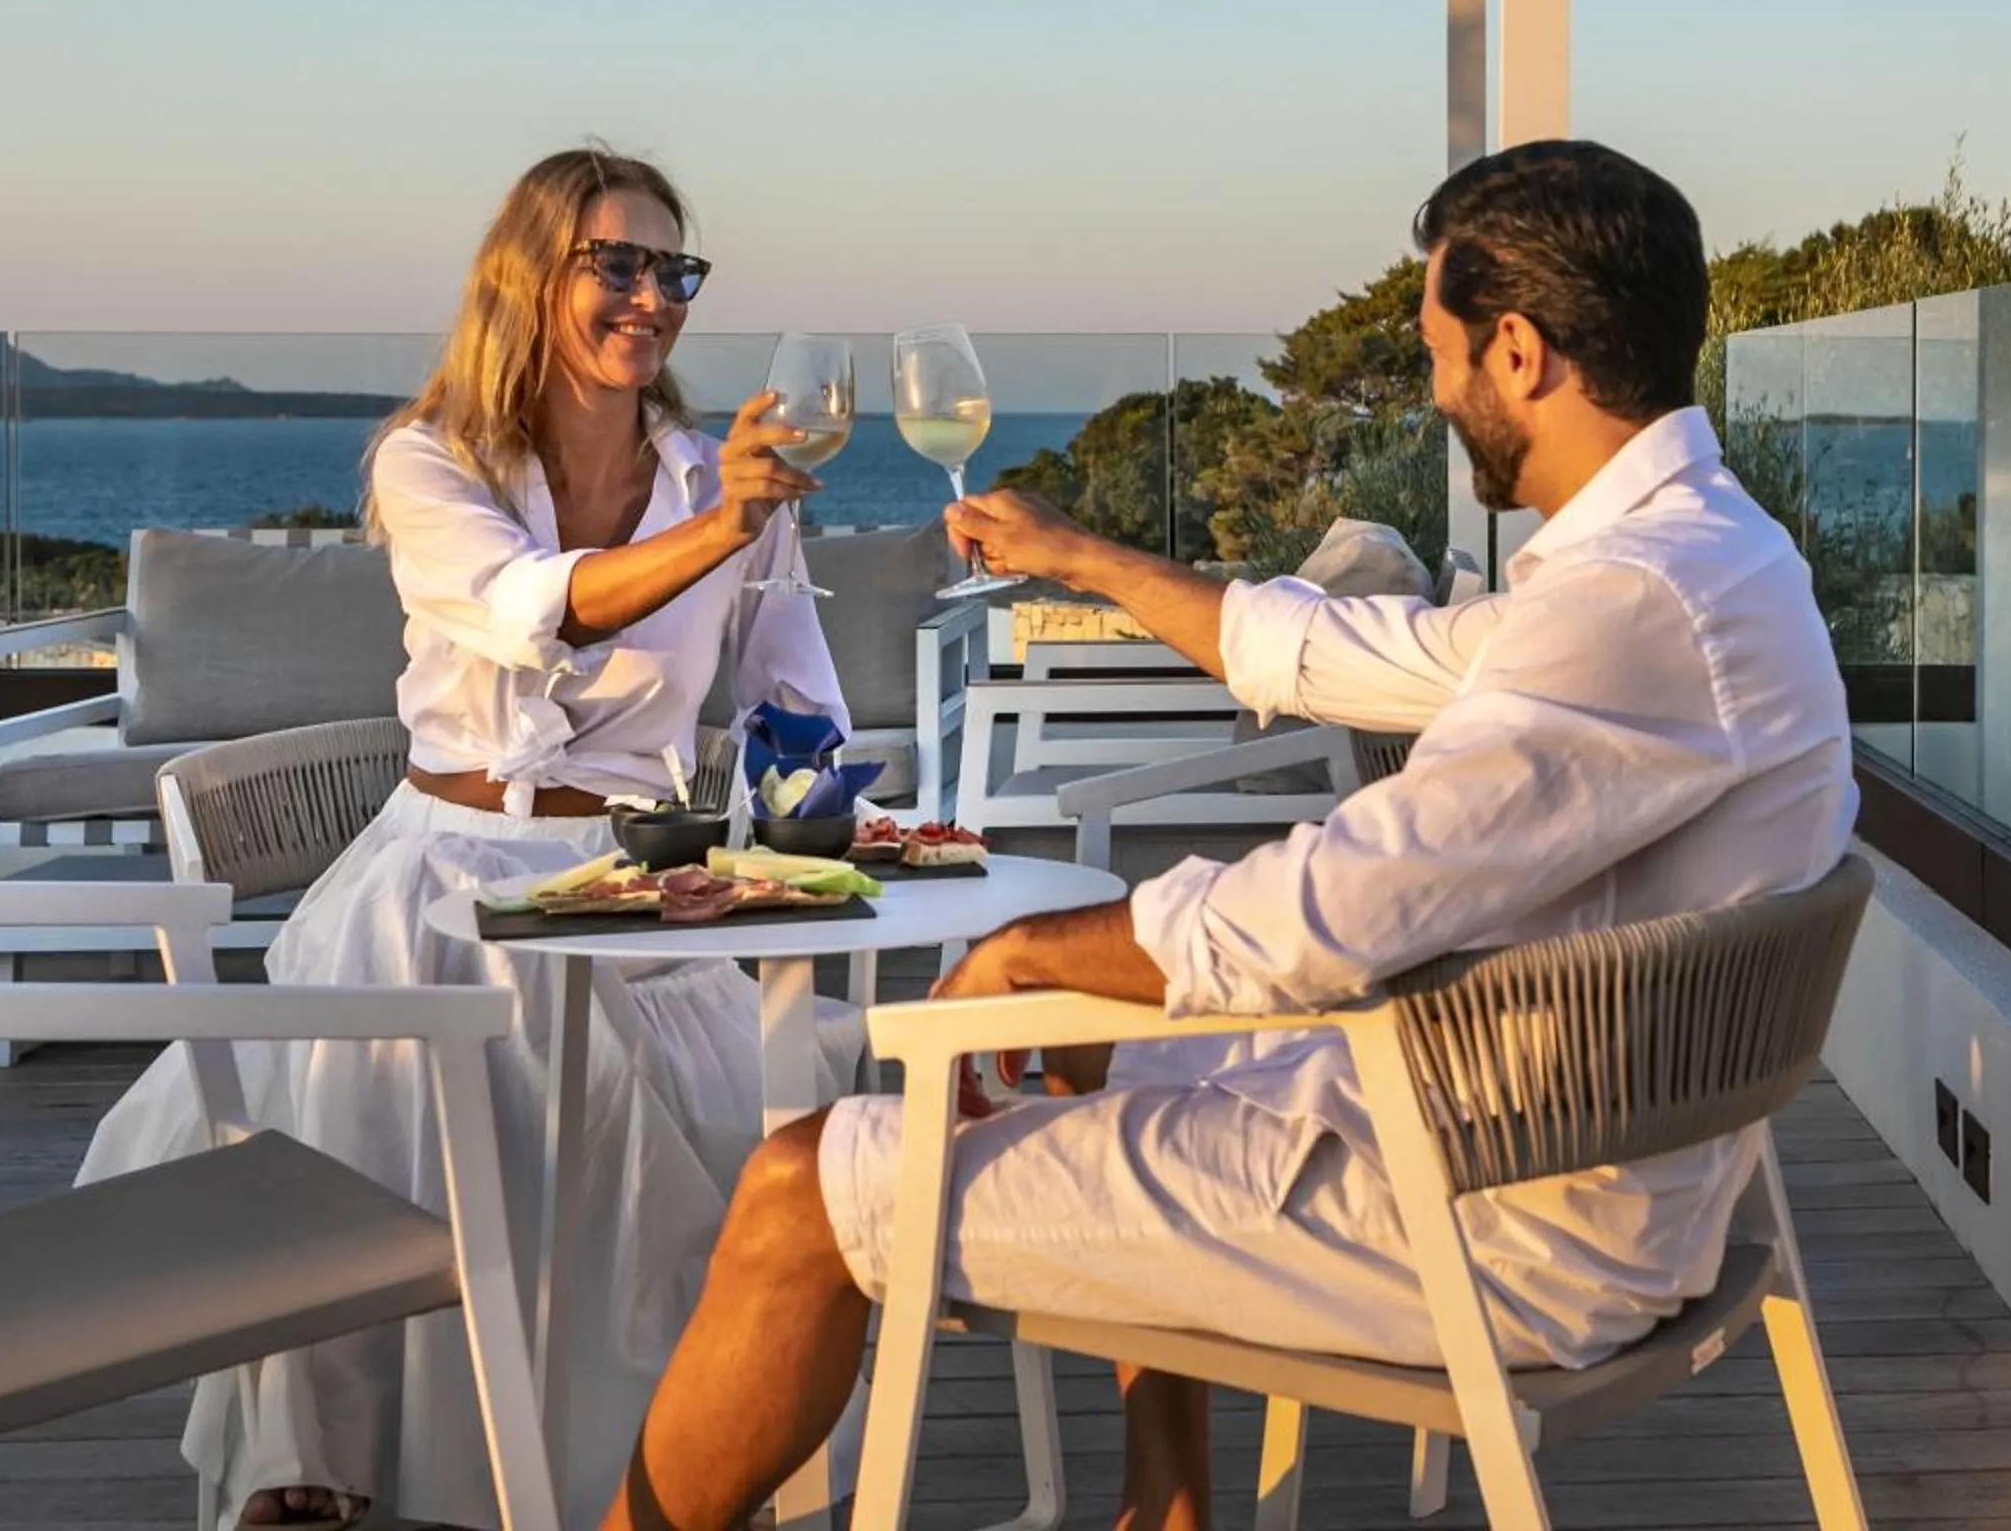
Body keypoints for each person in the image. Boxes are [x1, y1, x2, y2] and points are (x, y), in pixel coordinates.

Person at [603, 140, 1859, 1531]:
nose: (1438, 391)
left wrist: (1025, 955)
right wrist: (1082, 555)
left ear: (1518, 350)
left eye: (1442, 351)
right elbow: (1356, 654)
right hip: (1570, 1157)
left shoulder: (1634, 607)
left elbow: (1324, 919)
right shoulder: (1714, 560)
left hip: (1482, 1217)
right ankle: (1170, 1501)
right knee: (1090, 1030)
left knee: (797, 1192)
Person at [80, 147, 863, 1531]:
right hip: (438, 882)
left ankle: (643, 1495)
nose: (651, 296)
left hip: (638, 892)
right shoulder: (430, 458)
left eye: (671, 269)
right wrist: (722, 532)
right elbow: (526, 606)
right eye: (614, 264)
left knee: (708, 1212)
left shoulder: (715, 477)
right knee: (367, 1172)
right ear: (527, 276)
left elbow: (795, 693)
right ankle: (318, 1488)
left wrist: (826, 844)